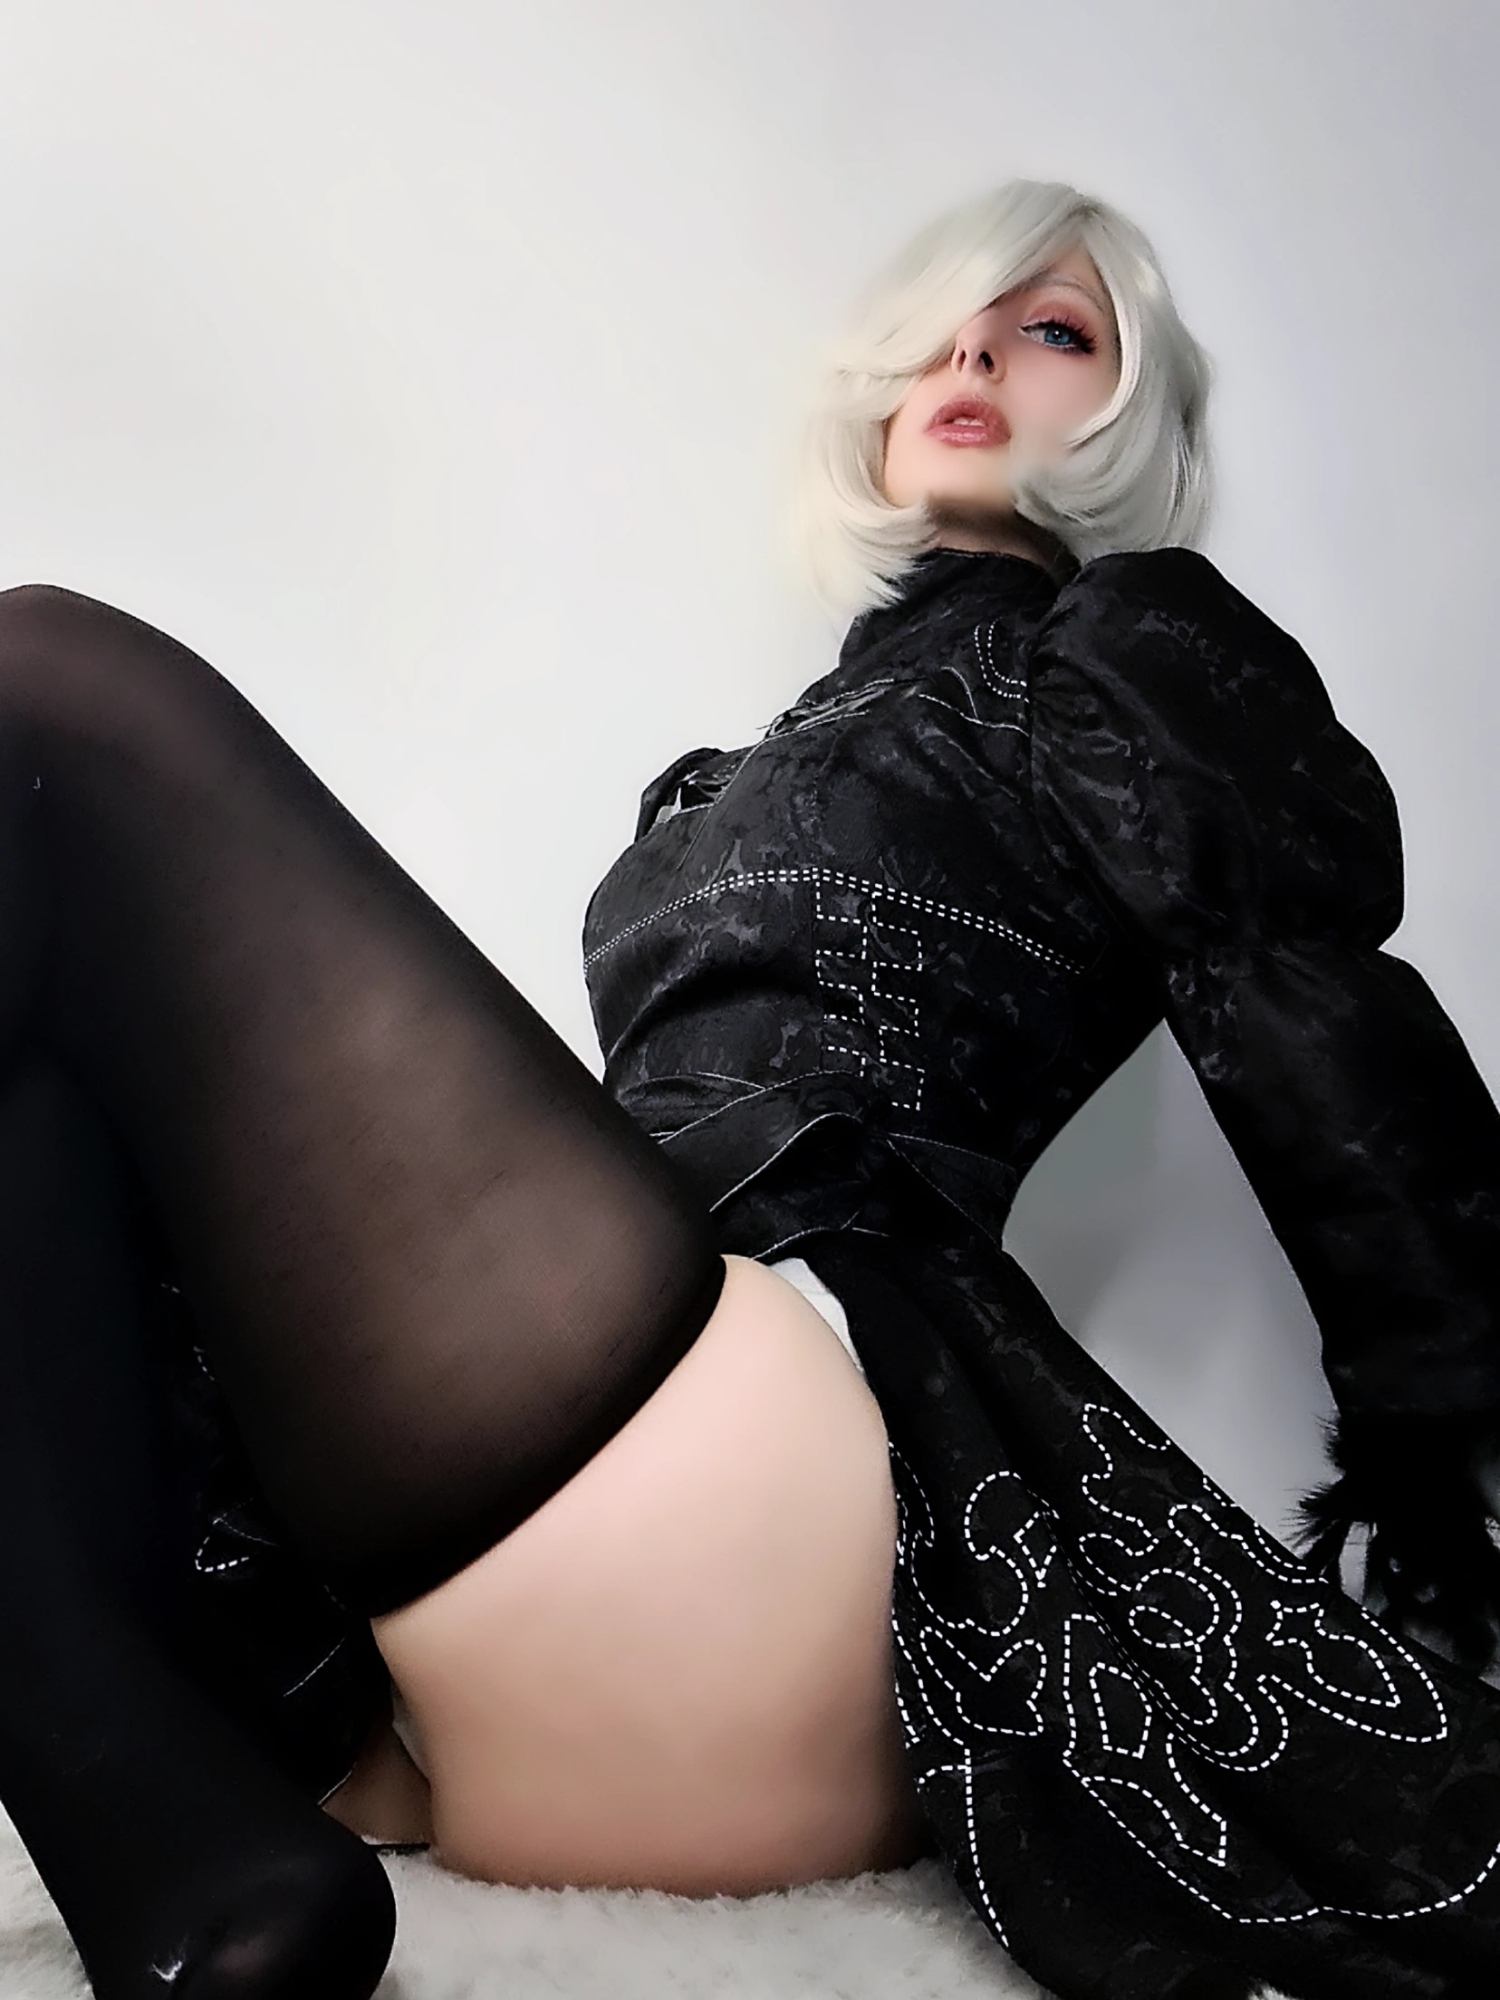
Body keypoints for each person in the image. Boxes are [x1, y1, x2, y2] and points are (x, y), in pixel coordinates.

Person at [3, 174, 1500, 2000]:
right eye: (944, 333)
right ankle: (191, 1875)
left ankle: (117, 1778)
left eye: (1051, 333)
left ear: (1131, 414)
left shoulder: (1125, 656)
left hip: (793, 1496)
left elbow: (1321, 1023)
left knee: (39, 684)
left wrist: (1445, 1505)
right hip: (510, 1645)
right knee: (39, 1073)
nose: (976, 362)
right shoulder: (736, 772)